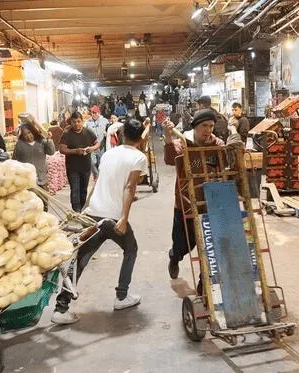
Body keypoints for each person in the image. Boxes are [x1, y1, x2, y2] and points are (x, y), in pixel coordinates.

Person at [51, 118, 147, 324]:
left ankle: (61, 308)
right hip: (112, 217)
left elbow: (100, 182)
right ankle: (122, 296)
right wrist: (123, 218)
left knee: (82, 258)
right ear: (140, 138)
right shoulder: (138, 157)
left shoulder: (108, 154)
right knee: (131, 249)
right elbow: (130, 188)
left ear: (121, 134)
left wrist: (87, 207)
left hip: (94, 213)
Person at [163, 109, 243, 281]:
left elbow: (228, 161)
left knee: (208, 246)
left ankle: (204, 285)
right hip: (186, 203)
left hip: (210, 204)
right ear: (196, 127)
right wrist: (168, 136)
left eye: (211, 126)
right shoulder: (183, 143)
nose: (208, 130)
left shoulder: (217, 145)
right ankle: (174, 257)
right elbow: (170, 159)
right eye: (204, 126)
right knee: (183, 245)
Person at [59, 111, 100, 212]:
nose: (76, 124)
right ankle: (76, 210)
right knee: (75, 190)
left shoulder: (88, 132)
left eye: (78, 121)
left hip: (85, 167)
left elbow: (97, 143)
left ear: (82, 121)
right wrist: (75, 151)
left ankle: (82, 209)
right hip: (72, 167)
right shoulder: (67, 134)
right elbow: (62, 149)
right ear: (71, 123)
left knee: (84, 190)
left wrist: (92, 148)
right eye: (74, 122)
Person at [13, 124, 55, 210]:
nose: (28, 136)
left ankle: (44, 221)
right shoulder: (19, 145)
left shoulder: (42, 142)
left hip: (42, 178)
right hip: (27, 181)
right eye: (25, 134)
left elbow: (51, 152)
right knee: (32, 205)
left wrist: (49, 140)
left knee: (44, 203)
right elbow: (14, 161)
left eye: (29, 132)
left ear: (34, 132)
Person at [85, 105, 109, 181]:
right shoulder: (88, 122)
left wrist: (106, 133)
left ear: (99, 112)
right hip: (92, 146)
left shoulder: (105, 121)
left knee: (101, 163)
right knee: (91, 162)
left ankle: (100, 178)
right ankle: (96, 174)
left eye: (95, 112)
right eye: (92, 113)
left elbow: (109, 130)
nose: (93, 114)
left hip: (101, 146)